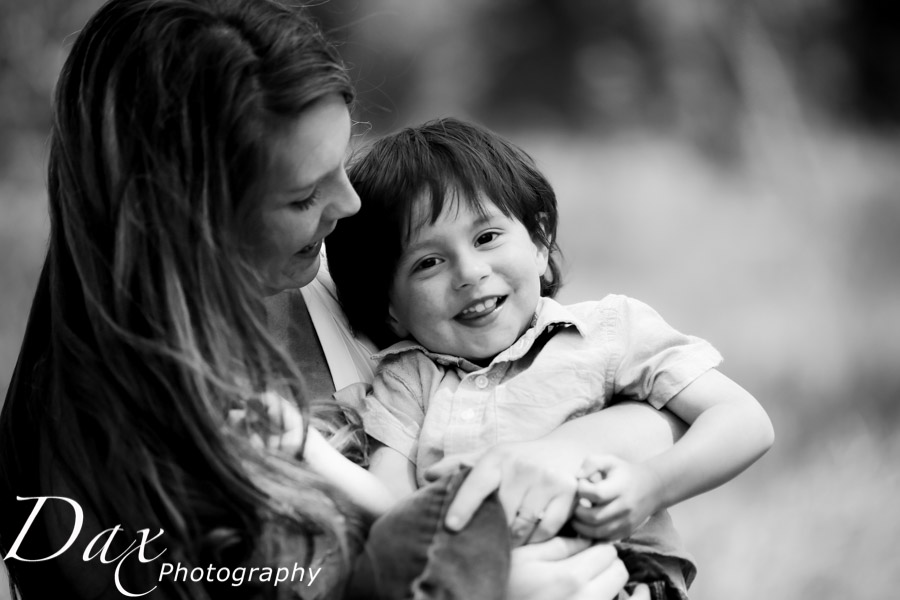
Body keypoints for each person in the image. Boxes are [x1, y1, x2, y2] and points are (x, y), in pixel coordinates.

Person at [0, 1, 678, 599]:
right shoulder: (84, 462)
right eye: (302, 196)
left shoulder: (357, 274)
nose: (348, 205)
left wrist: (557, 453)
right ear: (180, 219)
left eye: (341, 164)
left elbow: (611, 384)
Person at [326, 118, 776, 598]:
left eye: (486, 238)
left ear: (539, 243)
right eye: (428, 263)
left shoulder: (605, 332)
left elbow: (744, 420)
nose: (470, 273)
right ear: (391, 310)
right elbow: (394, 509)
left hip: (624, 576)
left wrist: (649, 485)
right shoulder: (407, 381)